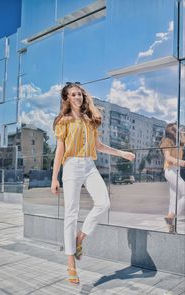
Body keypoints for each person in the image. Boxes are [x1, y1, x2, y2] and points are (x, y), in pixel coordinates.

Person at [51, 82, 135, 284]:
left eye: (79, 94)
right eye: (73, 94)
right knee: (71, 213)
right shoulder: (63, 121)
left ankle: (80, 237)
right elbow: (59, 151)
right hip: (71, 166)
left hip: (89, 166)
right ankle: (71, 263)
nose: (77, 97)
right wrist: (54, 177)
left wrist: (121, 153)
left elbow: (98, 146)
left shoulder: (90, 120)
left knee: (104, 203)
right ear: (67, 98)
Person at [160, 122, 185, 233]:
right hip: (170, 170)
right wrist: (181, 162)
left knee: (174, 199)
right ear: (171, 131)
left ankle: (170, 225)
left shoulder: (178, 142)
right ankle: (171, 217)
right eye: (176, 129)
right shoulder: (167, 141)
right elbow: (168, 157)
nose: (178, 130)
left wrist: (182, 134)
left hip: (176, 172)